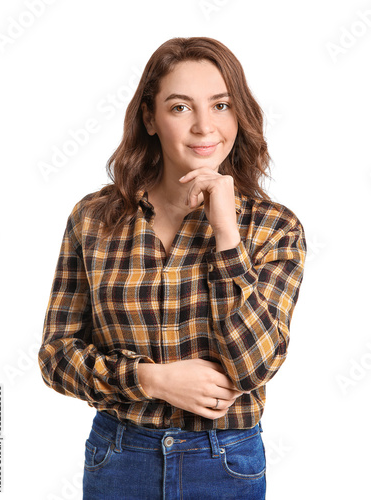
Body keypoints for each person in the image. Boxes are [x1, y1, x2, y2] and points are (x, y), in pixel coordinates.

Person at [38, 37, 307, 499]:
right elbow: (56, 357)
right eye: (181, 107)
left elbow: (252, 367)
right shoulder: (94, 219)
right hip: (119, 458)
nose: (205, 127)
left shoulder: (274, 228)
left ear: (239, 114)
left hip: (225, 460)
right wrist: (150, 380)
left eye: (221, 105)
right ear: (149, 118)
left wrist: (226, 235)